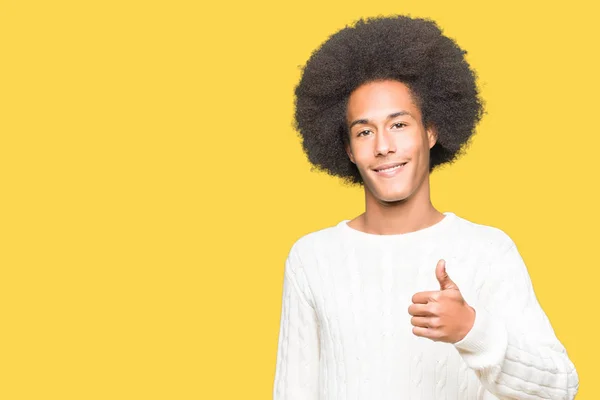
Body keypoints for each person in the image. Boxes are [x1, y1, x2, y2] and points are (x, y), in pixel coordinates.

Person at [272, 15, 579, 400]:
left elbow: (561, 387)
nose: (383, 146)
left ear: (431, 131)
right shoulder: (311, 258)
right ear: (348, 150)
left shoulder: (487, 251)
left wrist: (472, 331)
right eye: (364, 131)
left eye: (399, 125)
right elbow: (292, 392)